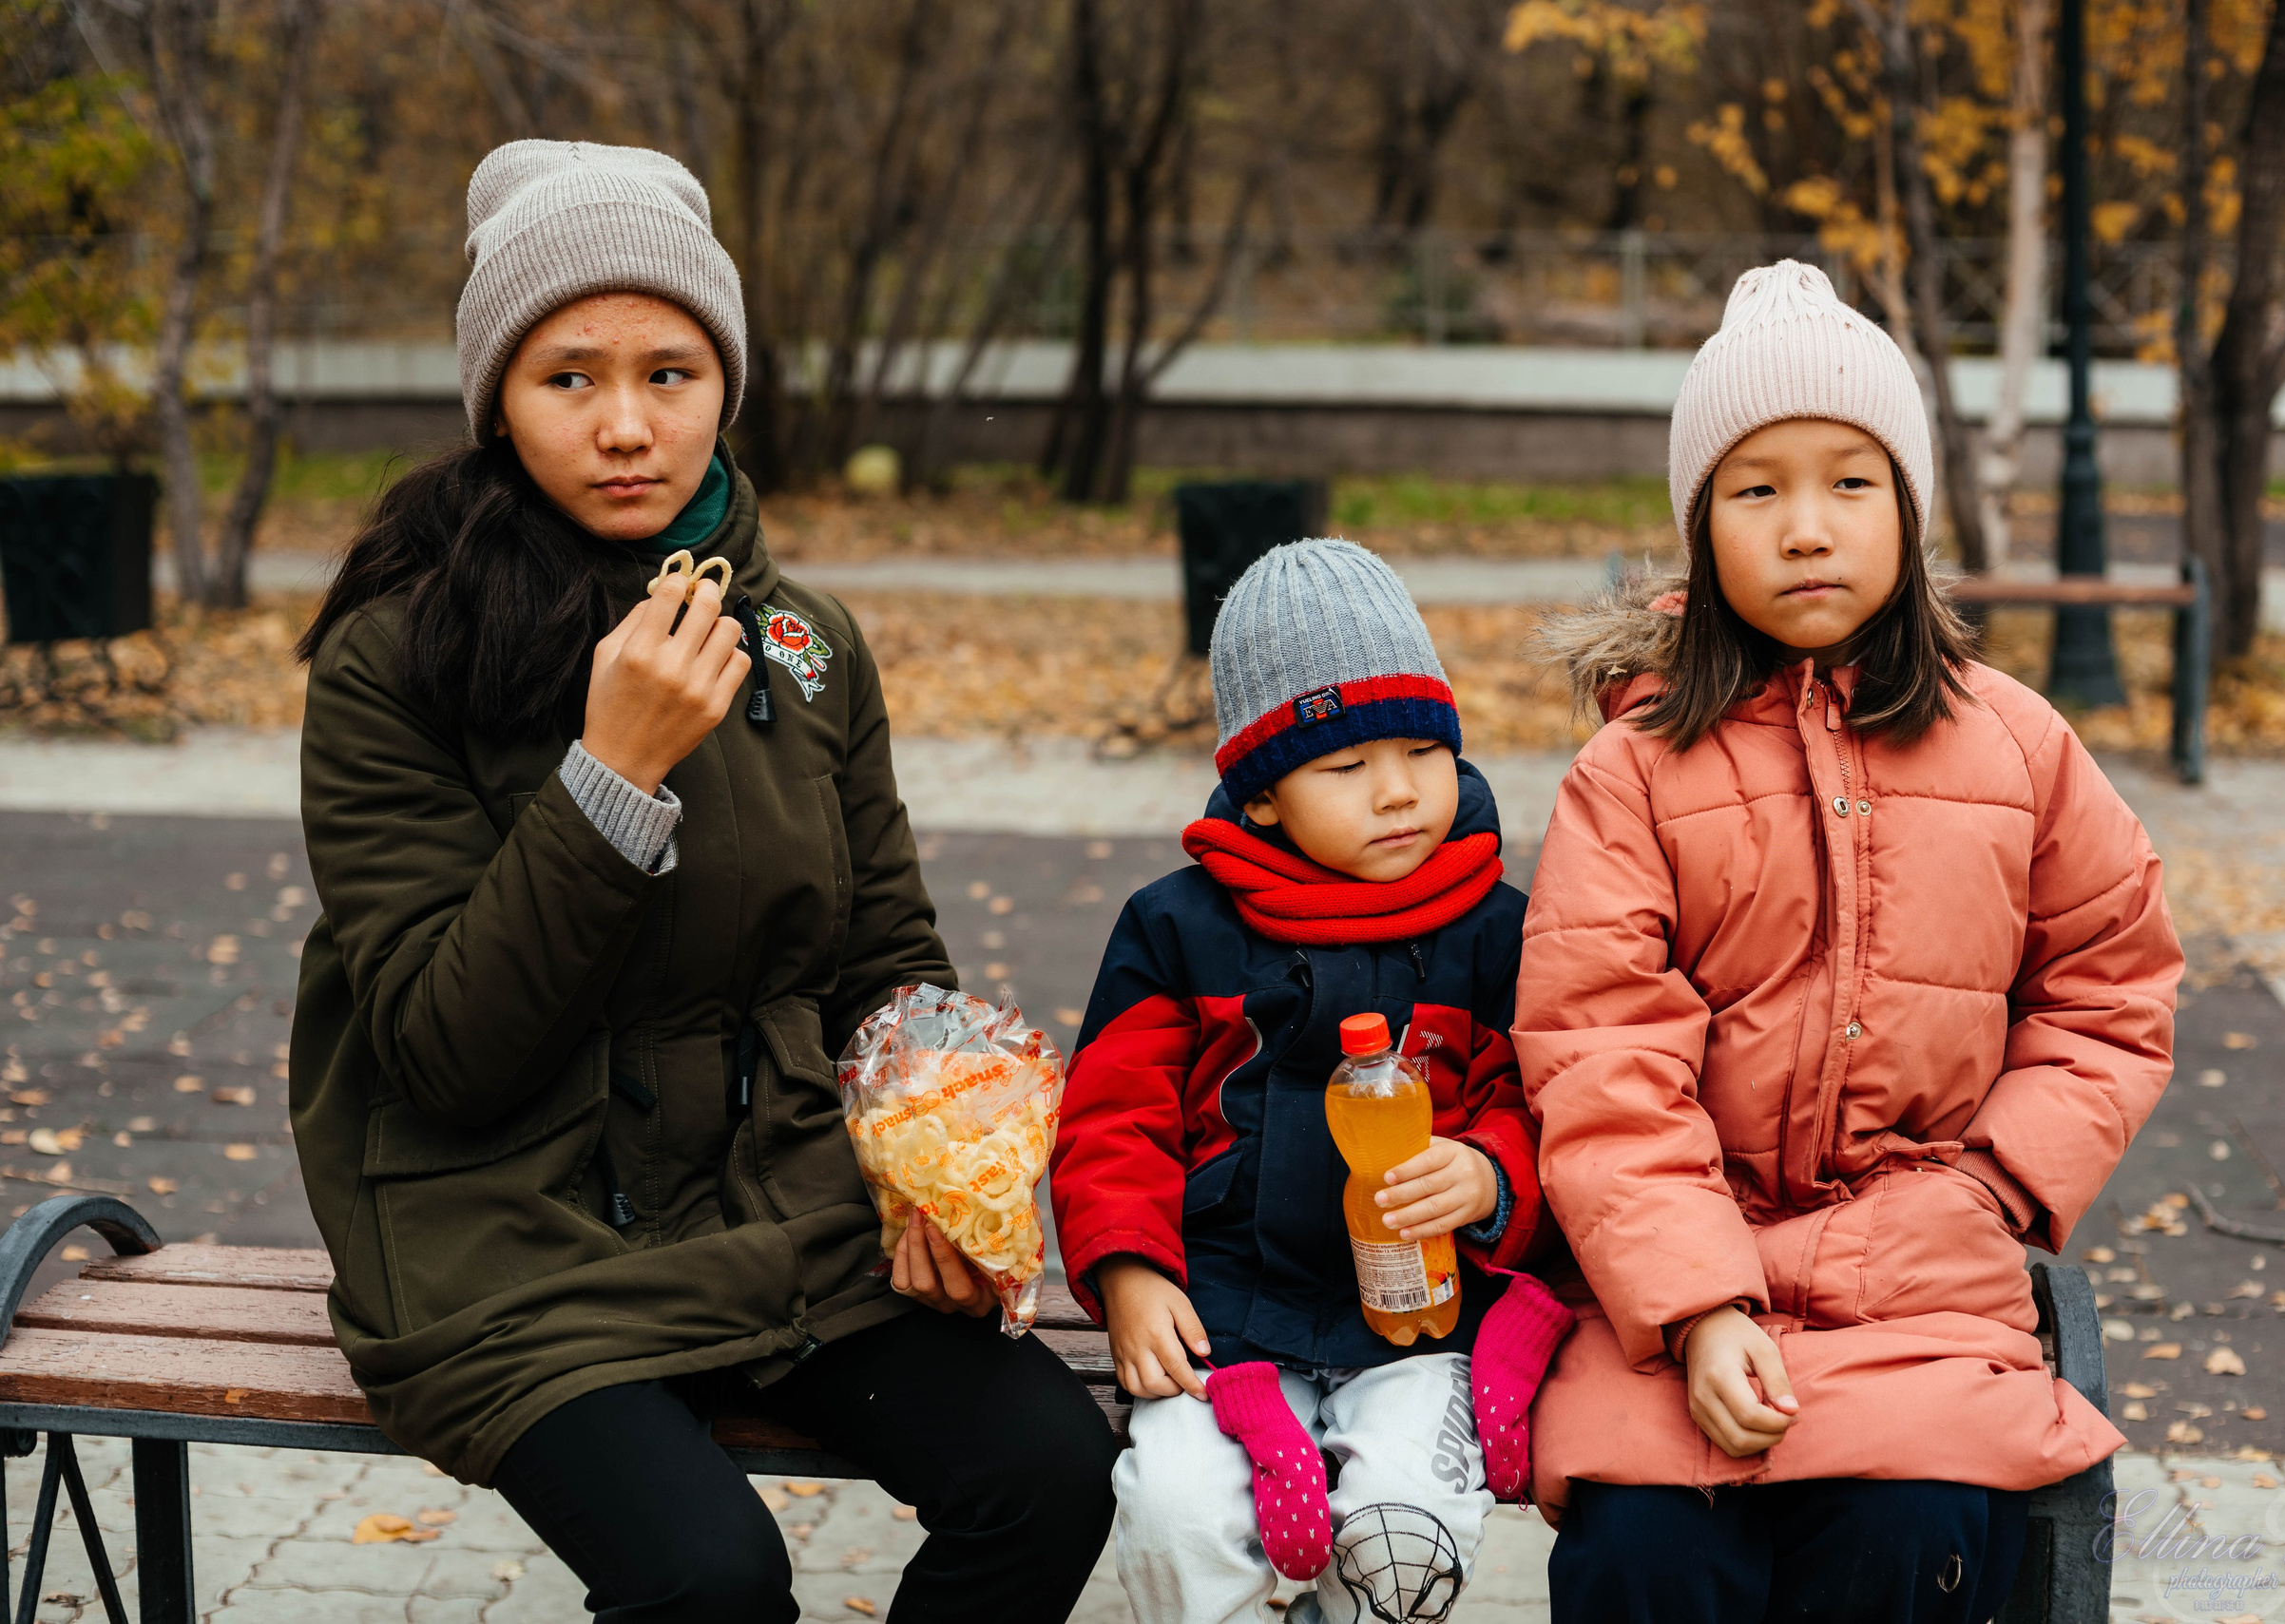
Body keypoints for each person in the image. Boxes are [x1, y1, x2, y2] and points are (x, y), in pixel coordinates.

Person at [287, 140, 1116, 1624]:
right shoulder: (394, 658)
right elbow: (439, 1052)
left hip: (782, 1212)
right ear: (497, 400)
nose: (624, 426)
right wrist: (610, 780)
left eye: (669, 372)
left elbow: (884, 960)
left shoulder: (807, 644)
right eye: (568, 378)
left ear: (727, 383)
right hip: (509, 1234)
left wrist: (934, 1167)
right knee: (711, 1577)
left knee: (1053, 1470)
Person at [1516, 258, 2183, 1623]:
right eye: (1758, 491)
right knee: (1648, 1562)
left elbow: (2111, 990)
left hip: (1929, 1282)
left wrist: (1995, 1188)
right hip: (1680, 1287)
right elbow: (1602, 1055)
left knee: (1911, 1535)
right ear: (1703, 530)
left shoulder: (2016, 744)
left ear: (1911, 512)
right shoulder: (1633, 773)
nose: (1807, 528)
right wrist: (1698, 1305)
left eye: (1850, 483)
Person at [1050, 540, 1575, 1624]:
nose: (1396, 792)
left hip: (1428, 1321)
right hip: (1223, 1314)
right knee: (1179, 1511)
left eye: (1421, 752)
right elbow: (1115, 1115)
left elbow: (1547, 1095)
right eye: (1344, 768)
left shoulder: (1496, 928)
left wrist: (1488, 1176)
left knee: (1402, 1538)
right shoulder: (1177, 927)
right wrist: (1131, 1269)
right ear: (1262, 799)